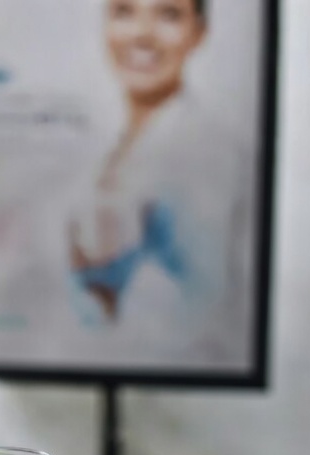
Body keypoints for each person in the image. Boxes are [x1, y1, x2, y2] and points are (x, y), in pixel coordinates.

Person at [64, 0, 248, 364]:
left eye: (168, 15)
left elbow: (198, 311)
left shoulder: (206, 153)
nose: (142, 34)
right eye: (124, 11)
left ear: (199, 32)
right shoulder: (111, 150)